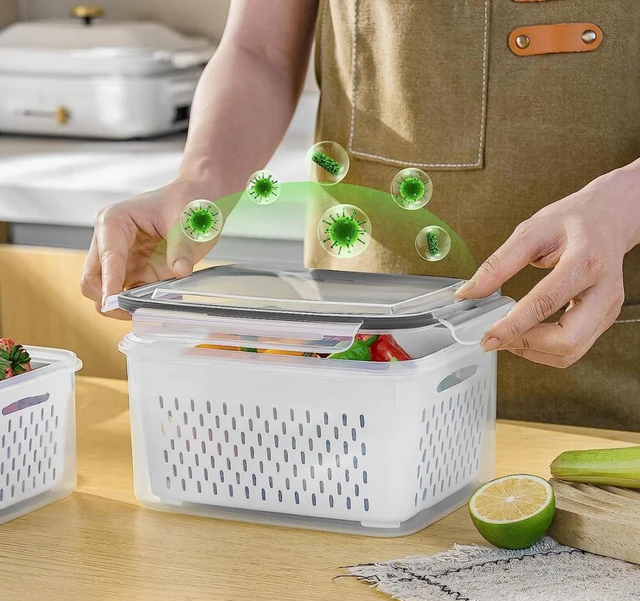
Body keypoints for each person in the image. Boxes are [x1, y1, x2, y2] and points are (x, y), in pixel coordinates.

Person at [81, 0, 640, 430]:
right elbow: (259, 49)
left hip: (613, 364)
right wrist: (199, 180)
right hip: (361, 360)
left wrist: (626, 202)